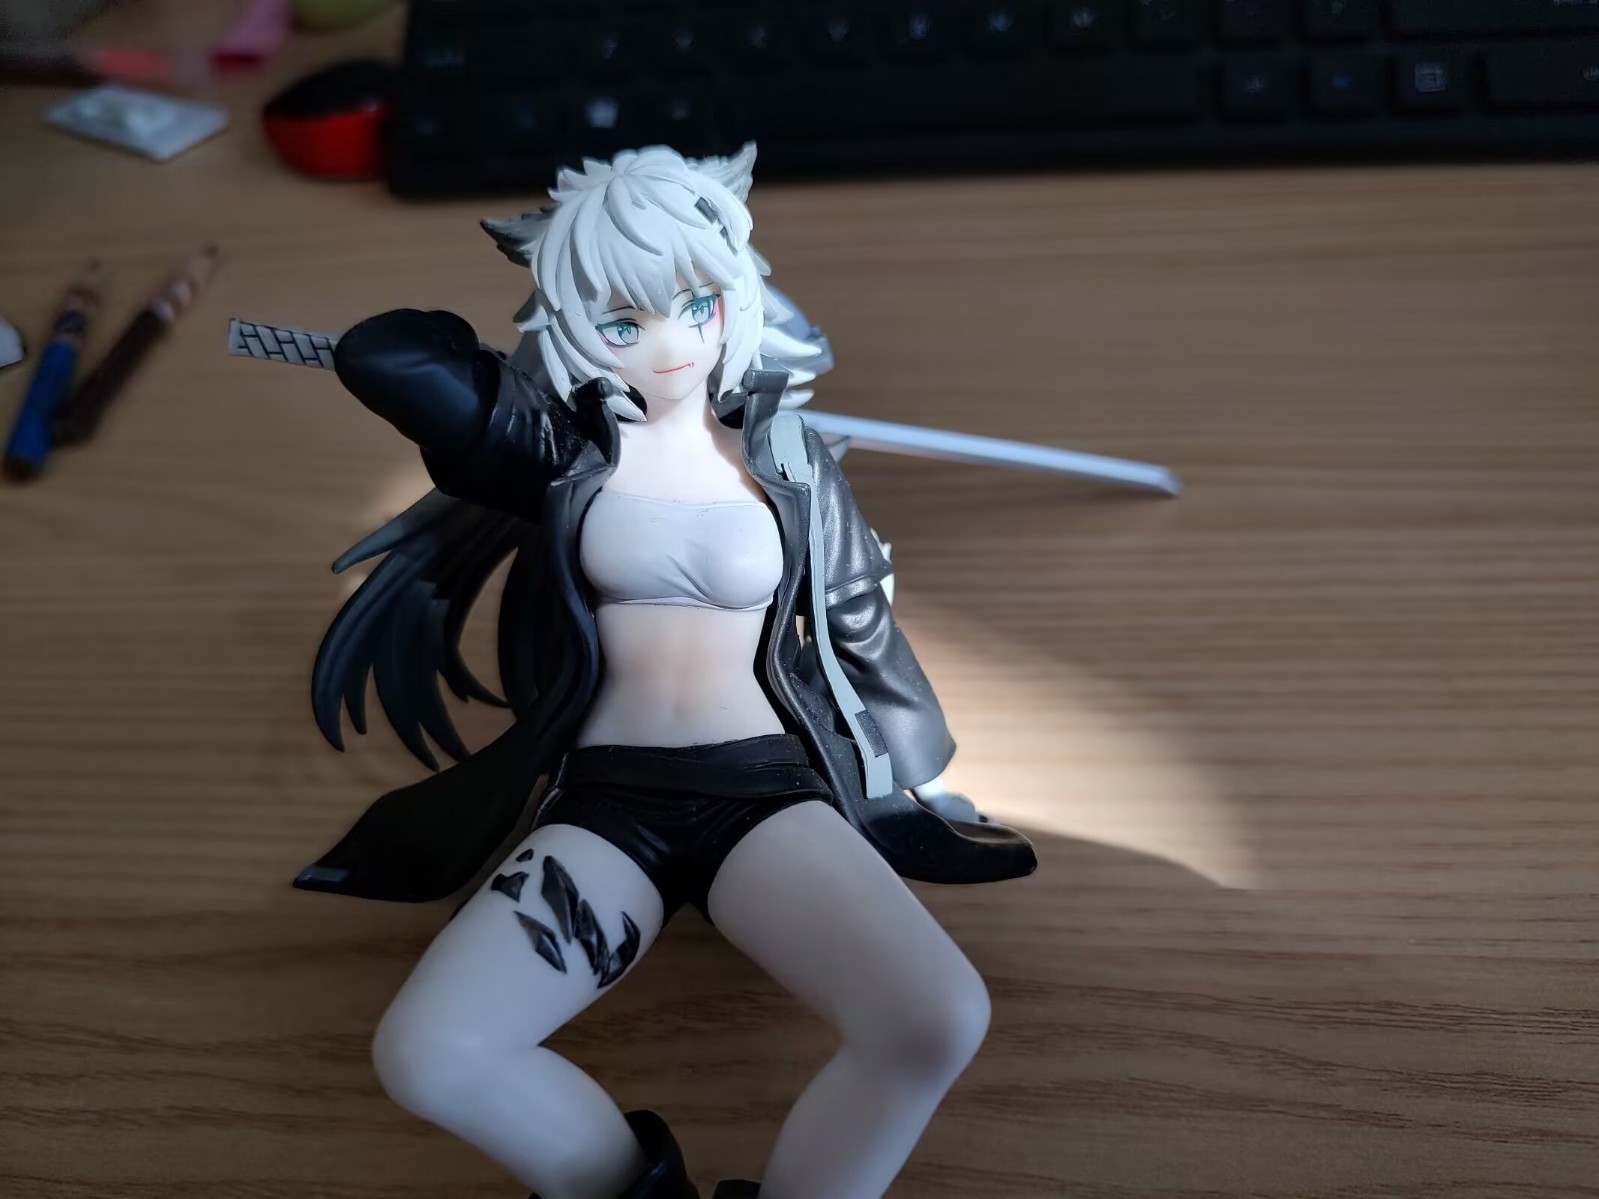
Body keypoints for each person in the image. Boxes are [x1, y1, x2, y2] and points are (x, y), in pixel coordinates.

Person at [296, 143, 1036, 1199]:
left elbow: (857, 621)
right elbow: (391, 356)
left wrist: (912, 778)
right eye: (623, 321)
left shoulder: (788, 462)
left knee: (934, 1017)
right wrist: (519, 366)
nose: (673, 342)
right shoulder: (559, 455)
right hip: (608, 809)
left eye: (697, 304)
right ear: (574, 325)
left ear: (735, 296)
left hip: (765, 796)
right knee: (432, 1052)